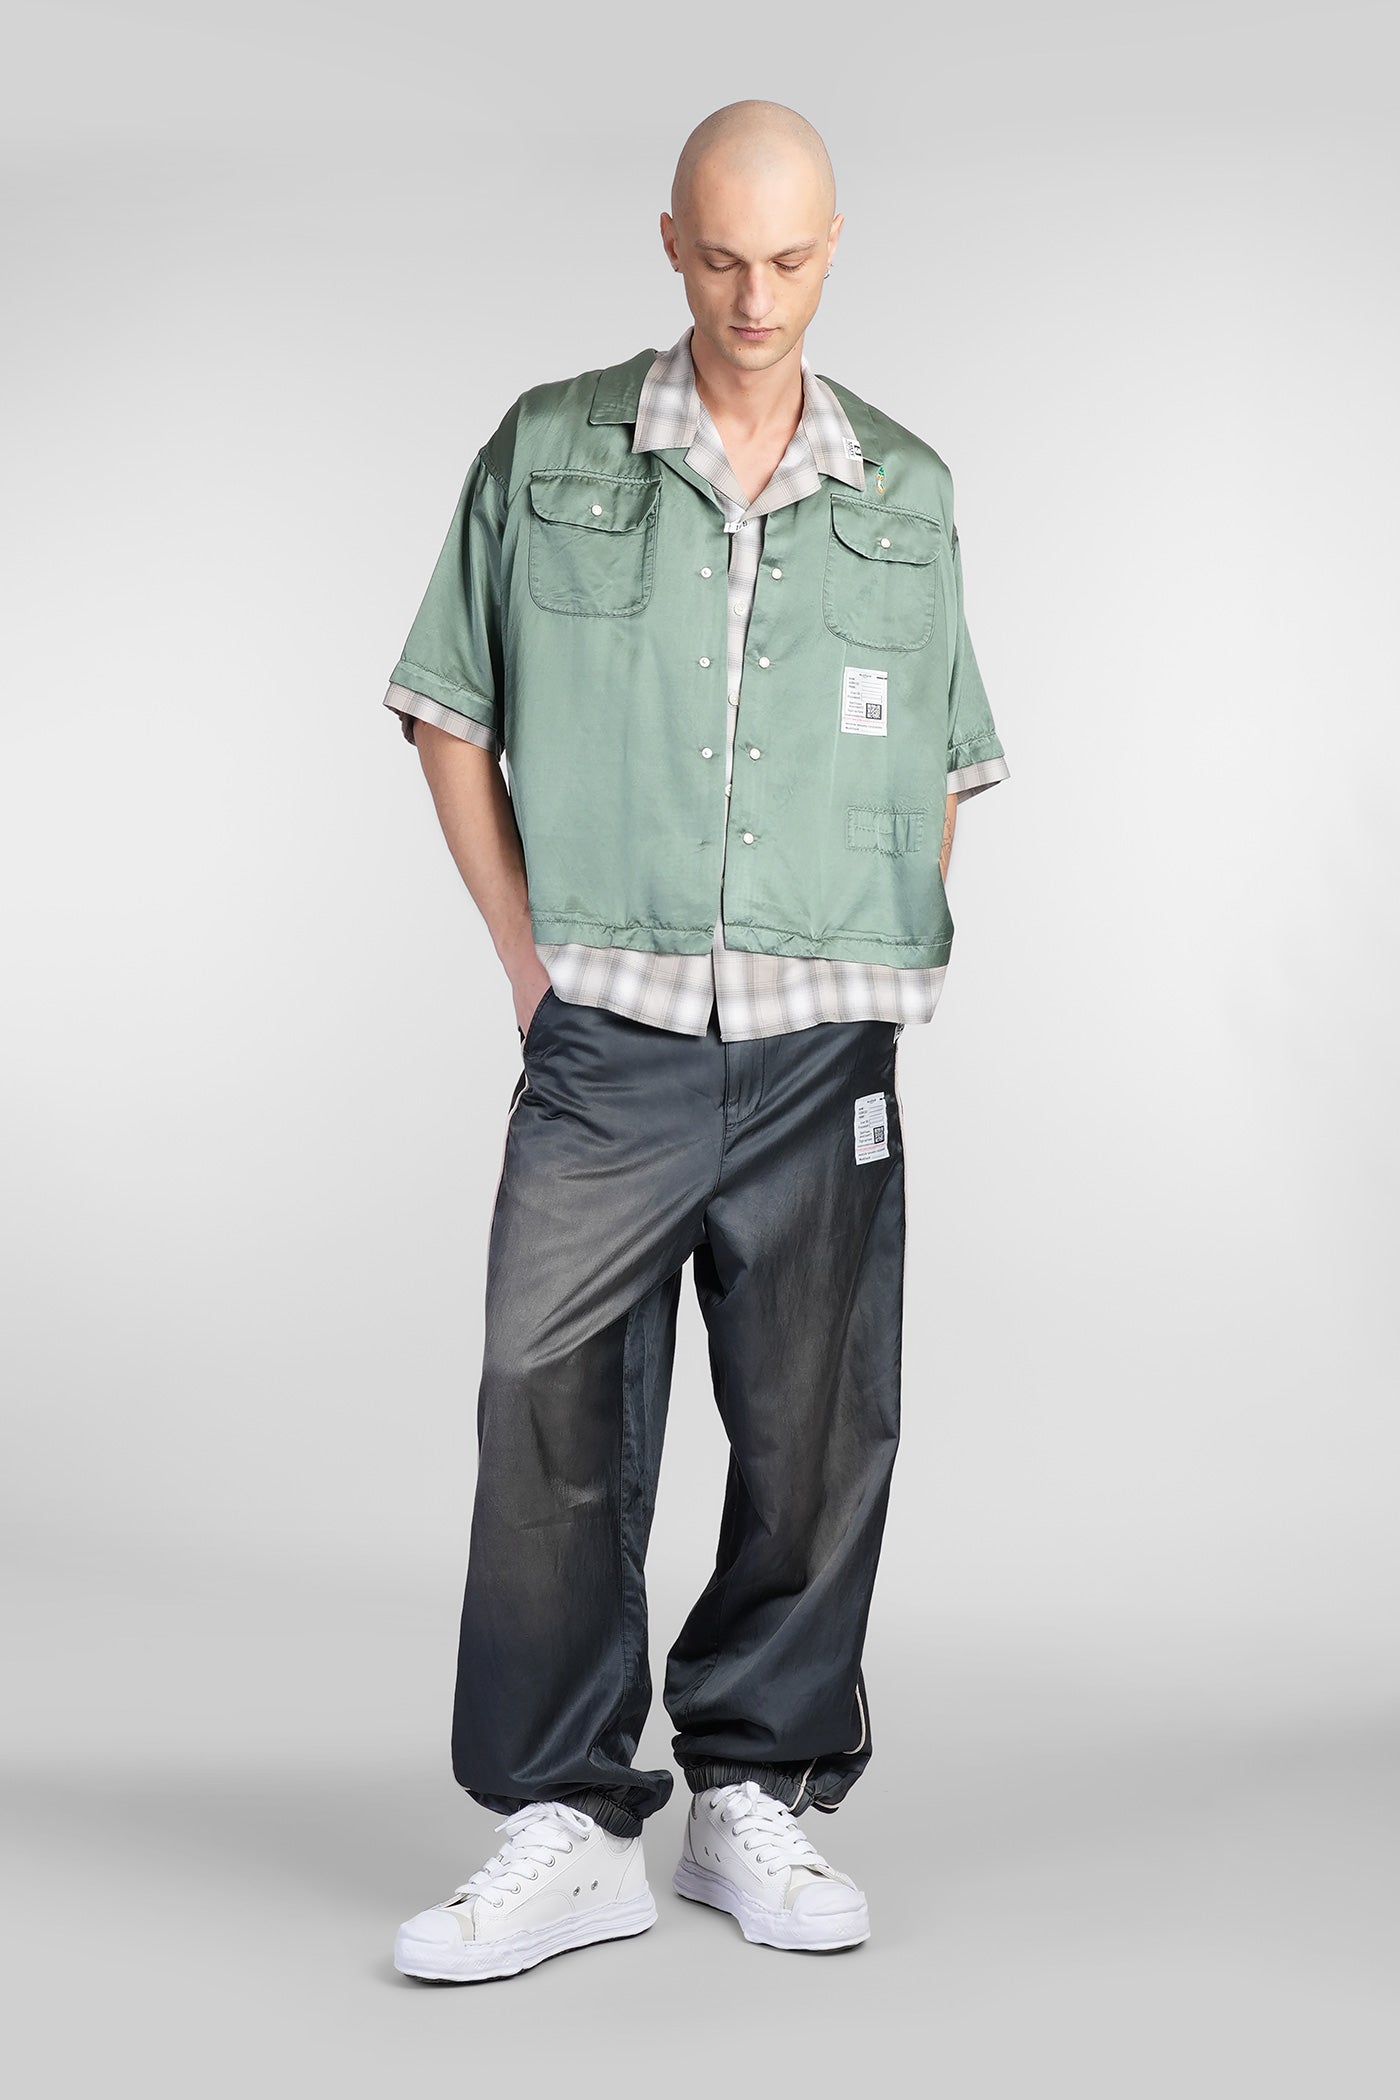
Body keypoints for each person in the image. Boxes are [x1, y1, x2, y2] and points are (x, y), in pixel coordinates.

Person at [384, 100, 1009, 1982]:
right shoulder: (550, 448)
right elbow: (448, 709)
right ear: (670, 241)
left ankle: (756, 1787)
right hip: (613, 1041)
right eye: (723, 257)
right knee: (547, 1406)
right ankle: (568, 1822)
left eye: (790, 260)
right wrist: (530, 963)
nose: (755, 297)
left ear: (835, 249)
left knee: (818, 1429)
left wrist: (849, 958)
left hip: (823, 1053)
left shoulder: (906, 487)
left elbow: (944, 760)